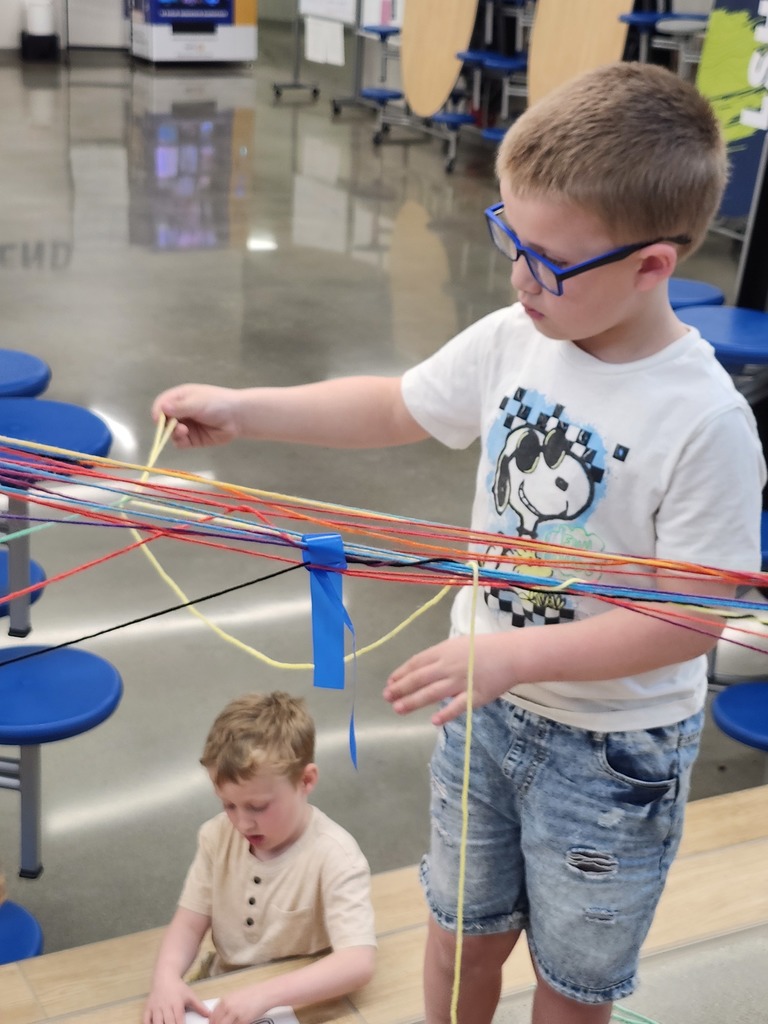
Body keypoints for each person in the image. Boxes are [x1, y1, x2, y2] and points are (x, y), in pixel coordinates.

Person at [152, 62, 766, 1024]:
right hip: (487, 712)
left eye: (550, 262)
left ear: (655, 263)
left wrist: (515, 652)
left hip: (611, 756)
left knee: (572, 981)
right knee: (458, 936)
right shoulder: (516, 337)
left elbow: (690, 617)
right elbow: (397, 404)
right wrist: (245, 408)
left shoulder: (707, 422)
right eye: (511, 241)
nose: (520, 277)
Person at [143, 691, 376, 1024]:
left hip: (299, 999)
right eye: (229, 805)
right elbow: (189, 924)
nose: (242, 822)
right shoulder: (216, 835)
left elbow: (358, 962)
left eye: (257, 806)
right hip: (224, 988)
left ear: (306, 780)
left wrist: (265, 995)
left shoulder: (336, 856)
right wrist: (165, 979)